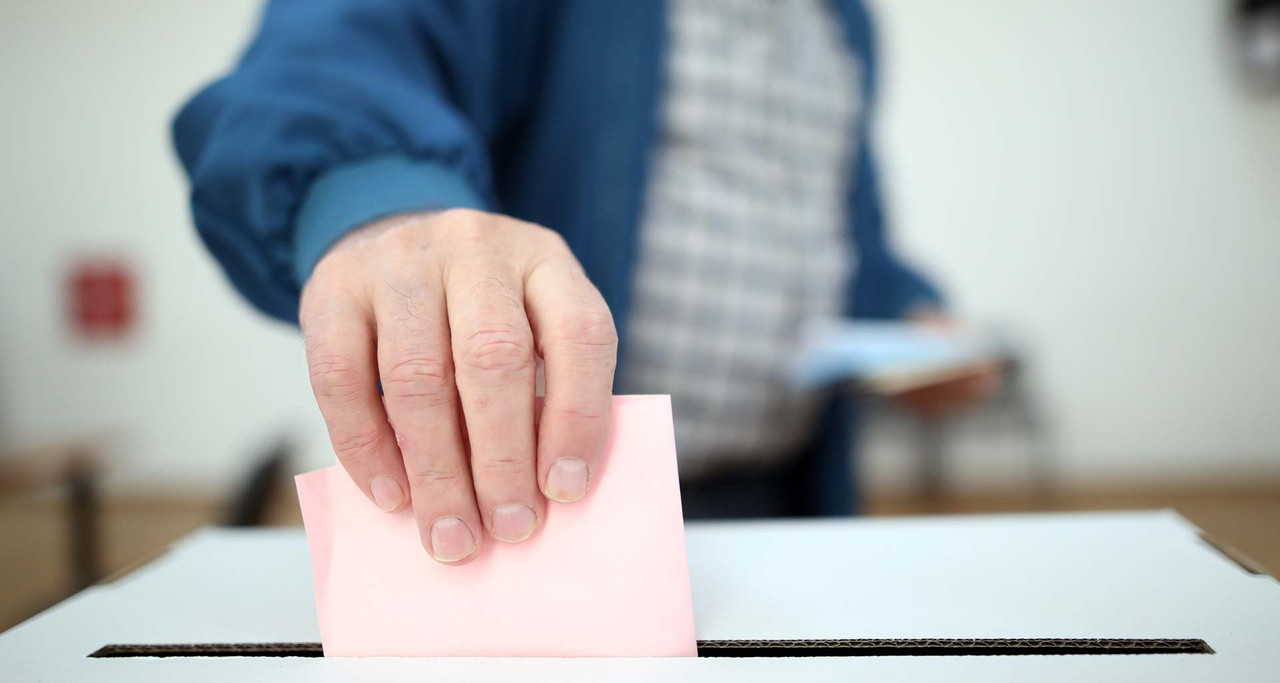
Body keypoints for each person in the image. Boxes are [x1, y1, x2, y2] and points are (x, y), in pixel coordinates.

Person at [173, 0, 994, 565]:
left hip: (791, 495)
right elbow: (333, 54)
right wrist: (383, 205)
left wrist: (903, 314)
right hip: (553, 520)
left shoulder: (840, 21)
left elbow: (837, 225)